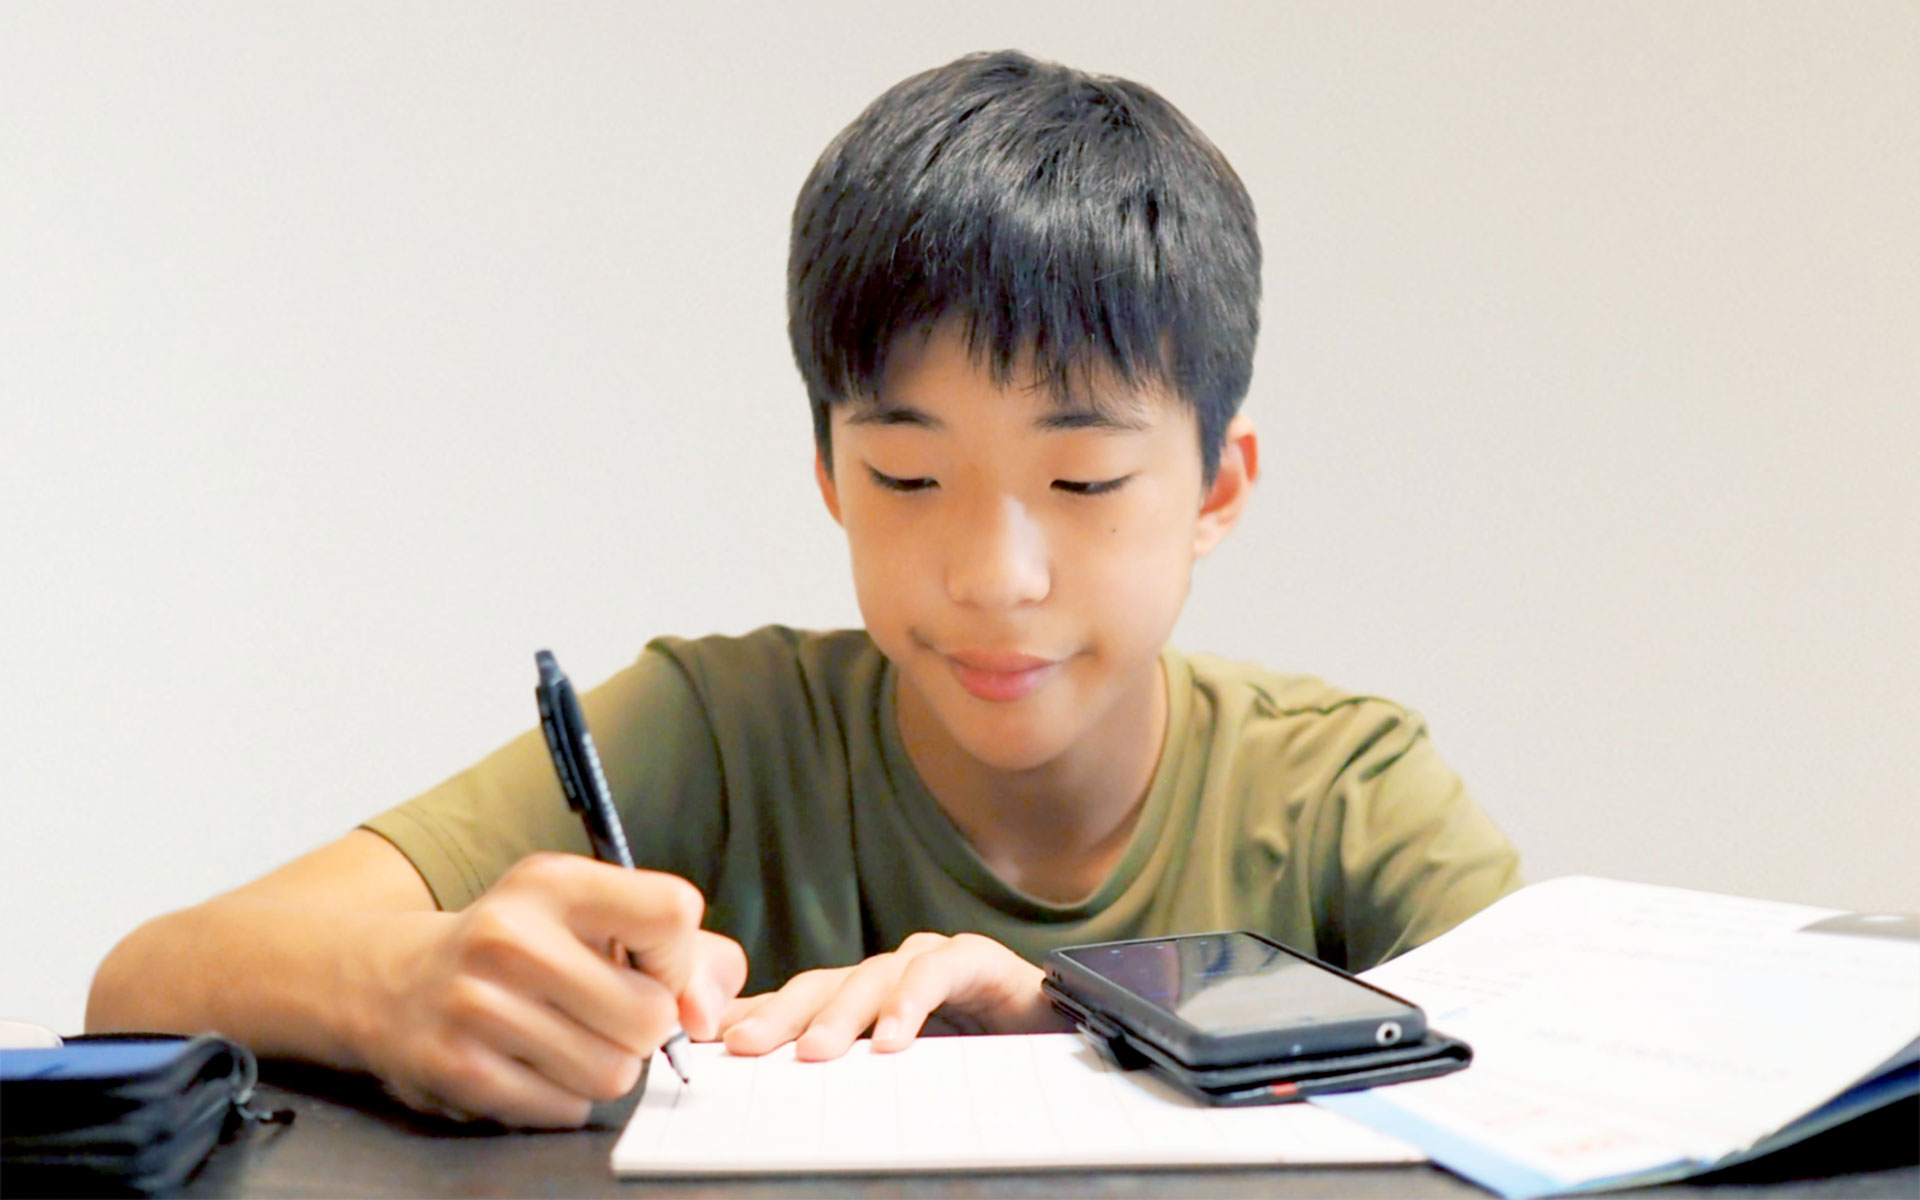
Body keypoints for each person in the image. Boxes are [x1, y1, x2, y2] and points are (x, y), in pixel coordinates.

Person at [86, 49, 1521, 1128]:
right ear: (831, 473)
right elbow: (144, 981)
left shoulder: (1339, 789)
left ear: (1215, 488)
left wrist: (1086, 1023)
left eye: (1084, 483)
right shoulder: (717, 729)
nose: (993, 576)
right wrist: (405, 990)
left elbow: (1592, 1067)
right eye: (908, 477)